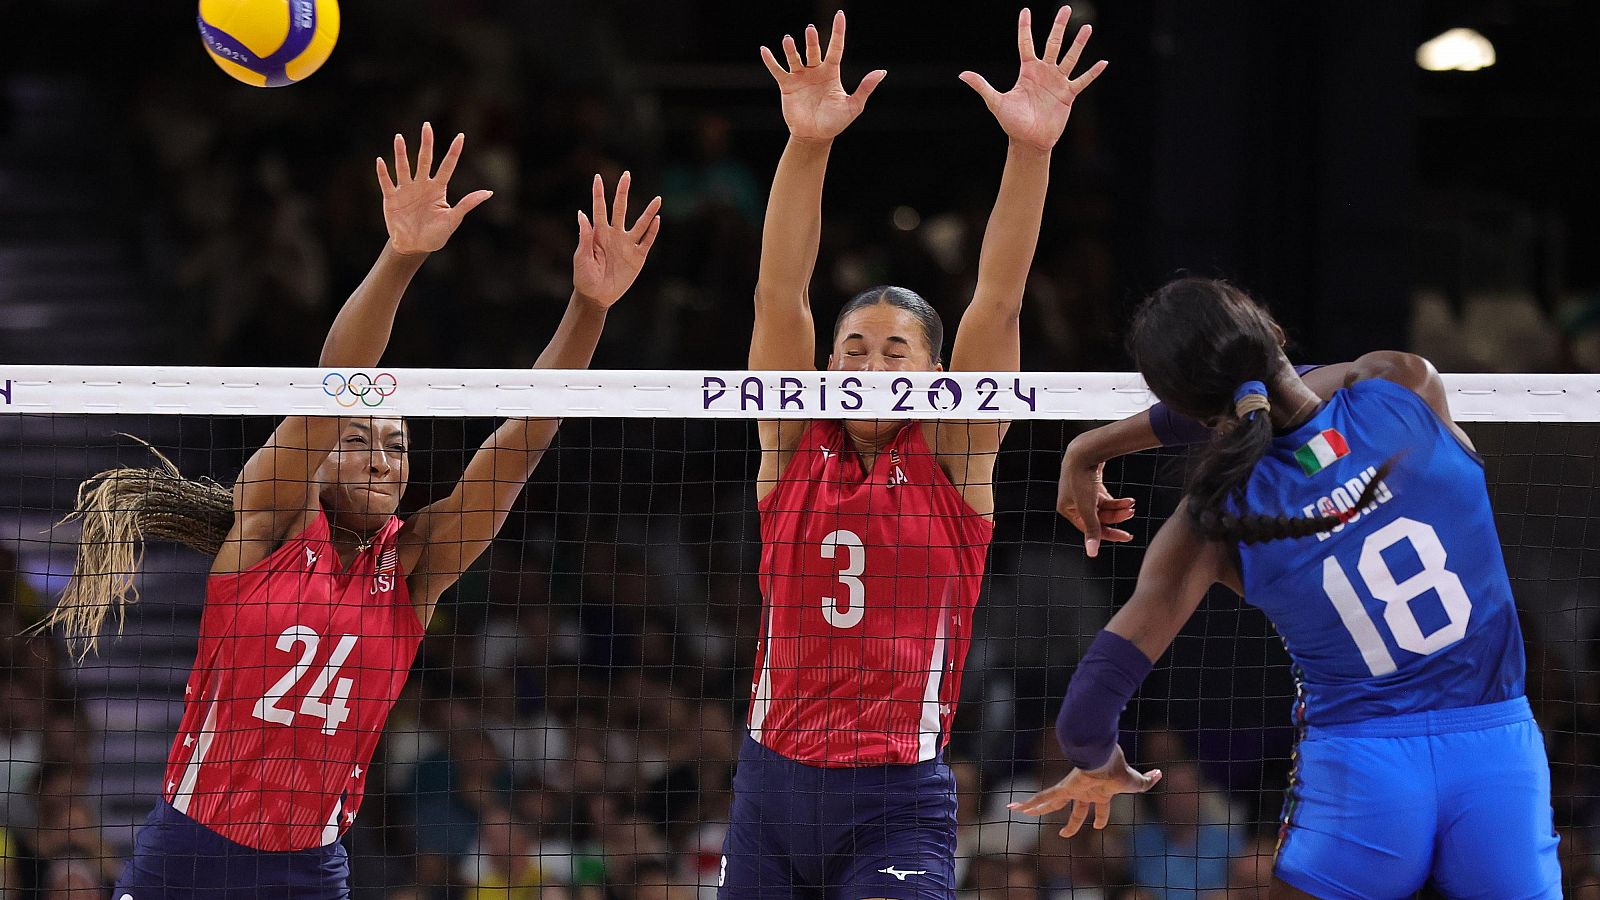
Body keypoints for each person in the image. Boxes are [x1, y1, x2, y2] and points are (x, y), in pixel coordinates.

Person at [41, 123, 663, 898]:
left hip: (310, 867)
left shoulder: (414, 568)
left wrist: (588, 308)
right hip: (193, 853)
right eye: (360, 439)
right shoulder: (267, 526)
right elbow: (334, 382)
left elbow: (524, 438)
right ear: (324, 453)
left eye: (397, 448)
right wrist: (401, 256)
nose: (380, 457)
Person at [722, 8, 1106, 899]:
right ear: (826, 367)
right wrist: (807, 145)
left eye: (896, 353)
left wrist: (1032, 151)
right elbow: (779, 294)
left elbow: (998, 302)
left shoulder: (956, 460)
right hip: (769, 787)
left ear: (938, 374)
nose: (869, 367)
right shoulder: (790, 444)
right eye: (854, 350)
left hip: (895, 798)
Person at [1012, 278, 1560, 897]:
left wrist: (1096, 760)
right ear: (1272, 334)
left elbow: (1086, 711)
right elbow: (1309, 386)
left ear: (1191, 408)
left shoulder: (1209, 522)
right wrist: (1098, 444)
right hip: (1499, 758)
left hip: (1362, 773)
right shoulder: (1405, 384)